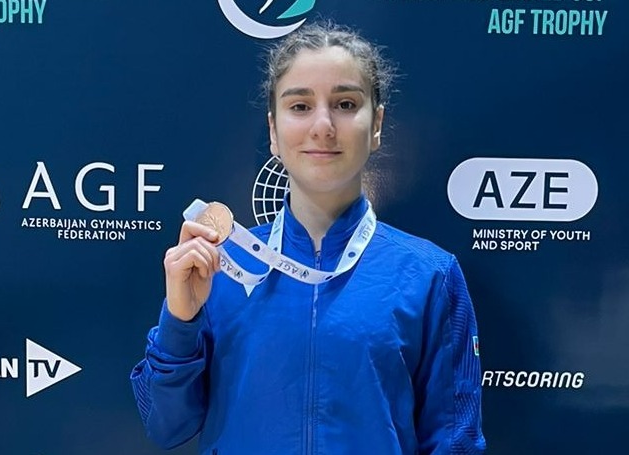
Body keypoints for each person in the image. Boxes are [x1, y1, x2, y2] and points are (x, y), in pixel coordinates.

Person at [130, 22, 486, 455]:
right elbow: (166, 426)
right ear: (273, 131)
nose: (323, 125)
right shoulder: (220, 266)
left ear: (376, 124)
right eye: (300, 106)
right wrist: (180, 321)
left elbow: (454, 443)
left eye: (345, 104)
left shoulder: (429, 275)